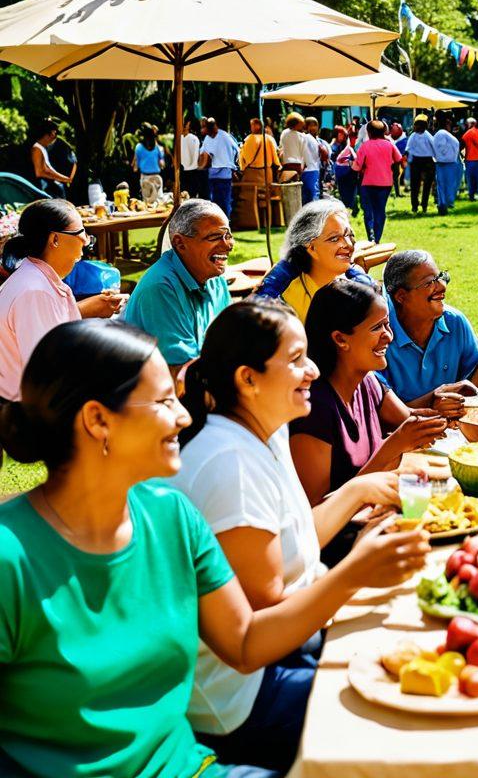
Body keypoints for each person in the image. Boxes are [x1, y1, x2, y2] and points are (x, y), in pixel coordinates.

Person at [0, 319, 428, 778]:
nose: (184, 416)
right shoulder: (12, 557)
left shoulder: (171, 517)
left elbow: (244, 644)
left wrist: (353, 571)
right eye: (164, 402)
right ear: (98, 420)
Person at [174, 300, 415, 771]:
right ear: (248, 378)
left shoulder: (266, 429)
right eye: (296, 359)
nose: (311, 371)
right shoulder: (230, 464)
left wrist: (358, 491)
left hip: (285, 653)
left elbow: (297, 541)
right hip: (240, 698)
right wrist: (355, 572)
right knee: (394, 718)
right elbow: (262, 628)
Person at [293, 278, 449, 504]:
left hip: (377, 512)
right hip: (342, 536)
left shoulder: (369, 382)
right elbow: (316, 511)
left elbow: (409, 421)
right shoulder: (314, 408)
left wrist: (441, 411)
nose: (389, 336)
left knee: (453, 490)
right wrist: (392, 447)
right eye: (377, 327)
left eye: (387, 324)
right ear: (340, 339)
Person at [0, 199, 120, 400]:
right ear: (55, 240)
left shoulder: (36, 278)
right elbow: (47, 372)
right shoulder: (35, 291)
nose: (85, 240)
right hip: (29, 413)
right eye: (81, 232)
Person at [381, 249, 478, 407]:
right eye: (429, 282)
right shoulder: (381, 335)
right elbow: (379, 412)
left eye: (440, 277)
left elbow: (472, 389)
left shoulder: (454, 322)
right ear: (401, 296)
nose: (442, 286)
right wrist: (433, 402)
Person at [124, 199, 231, 372]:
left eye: (228, 235)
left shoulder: (215, 279)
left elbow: (228, 339)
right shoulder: (160, 287)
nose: (227, 245)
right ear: (180, 244)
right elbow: (181, 369)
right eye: (215, 237)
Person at [257, 199, 373, 320]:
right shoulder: (282, 295)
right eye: (334, 239)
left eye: (349, 235)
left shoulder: (360, 283)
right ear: (311, 247)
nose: (349, 244)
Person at [352, 119, 401, 243]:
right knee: (380, 210)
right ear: (384, 132)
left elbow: (357, 166)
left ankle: (371, 236)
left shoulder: (365, 146)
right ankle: (377, 238)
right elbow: (398, 159)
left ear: (368, 132)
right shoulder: (389, 144)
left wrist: (350, 164)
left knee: (368, 211)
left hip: (367, 183)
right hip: (385, 183)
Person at [199, 117, 239, 218]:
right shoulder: (208, 138)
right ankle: (219, 221)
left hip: (224, 172)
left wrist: (233, 166)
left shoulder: (225, 136)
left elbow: (237, 151)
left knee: (224, 200)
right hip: (213, 173)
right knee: (215, 202)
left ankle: (226, 222)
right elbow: (204, 153)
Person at [30, 120, 72, 198]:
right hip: (43, 189)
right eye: (54, 133)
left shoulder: (42, 148)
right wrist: (62, 179)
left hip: (49, 187)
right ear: (47, 134)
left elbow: (48, 169)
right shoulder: (36, 149)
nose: (54, 137)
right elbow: (39, 172)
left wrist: (65, 179)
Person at [405, 114, 436, 215]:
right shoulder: (415, 136)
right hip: (418, 161)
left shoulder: (425, 135)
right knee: (416, 185)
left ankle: (423, 205)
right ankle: (416, 205)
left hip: (425, 161)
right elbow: (408, 149)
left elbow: (434, 146)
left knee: (424, 185)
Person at [239, 118, 280, 186]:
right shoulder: (269, 139)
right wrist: (278, 165)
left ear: (257, 126)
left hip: (252, 174)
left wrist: (242, 168)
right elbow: (275, 156)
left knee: (251, 195)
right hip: (266, 174)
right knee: (265, 194)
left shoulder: (249, 139)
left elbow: (244, 157)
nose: (251, 127)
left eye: (252, 125)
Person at [132, 125, 166, 205]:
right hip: (156, 177)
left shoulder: (138, 147)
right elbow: (162, 165)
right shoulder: (159, 148)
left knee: (147, 203)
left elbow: (135, 167)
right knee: (159, 203)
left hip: (145, 178)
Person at [433, 117, 461, 215]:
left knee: (443, 185)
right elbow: (442, 147)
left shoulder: (442, 134)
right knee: (447, 184)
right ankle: (444, 203)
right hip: (446, 163)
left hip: (444, 162)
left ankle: (444, 203)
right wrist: (447, 155)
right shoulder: (442, 134)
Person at [461, 116, 478, 201]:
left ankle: (471, 196)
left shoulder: (467, 134)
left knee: (470, 180)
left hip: (470, 159)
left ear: (469, 124)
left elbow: (462, 145)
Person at [301, 118, 324, 204]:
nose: (313, 128)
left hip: (313, 170)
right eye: (311, 125)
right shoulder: (306, 137)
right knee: (312, 197)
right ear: (306, 126)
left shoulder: (318, 140)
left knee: (310, 197)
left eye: (315, 125)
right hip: (310, 171)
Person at [278, 113, 306, 183]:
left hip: (286, 164)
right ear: (296, 124)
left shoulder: (284, 133)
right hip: (297, 164)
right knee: (296, 186)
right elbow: (303, 152)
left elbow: (281, 147)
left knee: (286, 185)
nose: (302, 126)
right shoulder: (301, 136)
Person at [181, 117, 203, 198]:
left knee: (190, 196)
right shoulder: (180, 139)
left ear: (188, 125)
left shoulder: (194, 139)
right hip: (185, 171)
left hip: (191, 172)